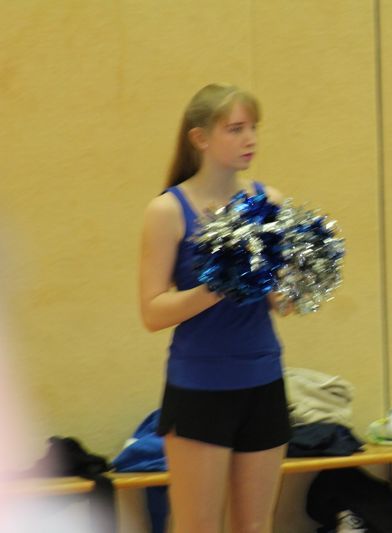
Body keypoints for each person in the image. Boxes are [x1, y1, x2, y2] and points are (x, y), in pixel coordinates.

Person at [138, 83, 291, 533]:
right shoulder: (167, 211)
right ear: (200, 138)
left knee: (255, 526)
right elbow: (152, 312)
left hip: (263, 380)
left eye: (253, 128)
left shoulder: (269, 202)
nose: (250, 139)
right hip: (200, 387)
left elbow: (280, 301)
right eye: (236, 129)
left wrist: (296, 282)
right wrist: (219, 286)